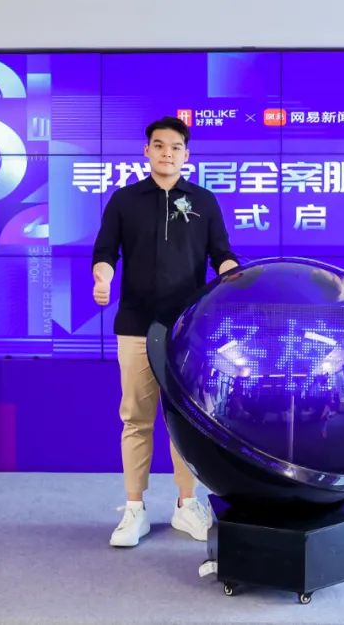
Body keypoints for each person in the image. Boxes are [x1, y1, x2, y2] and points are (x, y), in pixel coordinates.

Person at [92, 115, 239, 548]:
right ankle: (134, 509)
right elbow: (105, 252)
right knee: (136, 419)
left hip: (186, 330)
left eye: (175, 147)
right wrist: (102, 278)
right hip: (136, 325)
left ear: (186, 155)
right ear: (147, 151)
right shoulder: (124, 200)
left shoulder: (204, 201)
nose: (167, 153)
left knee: (184, 421)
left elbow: (221, 253)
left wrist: (233, 275)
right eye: (159, 145)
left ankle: (186, 504)